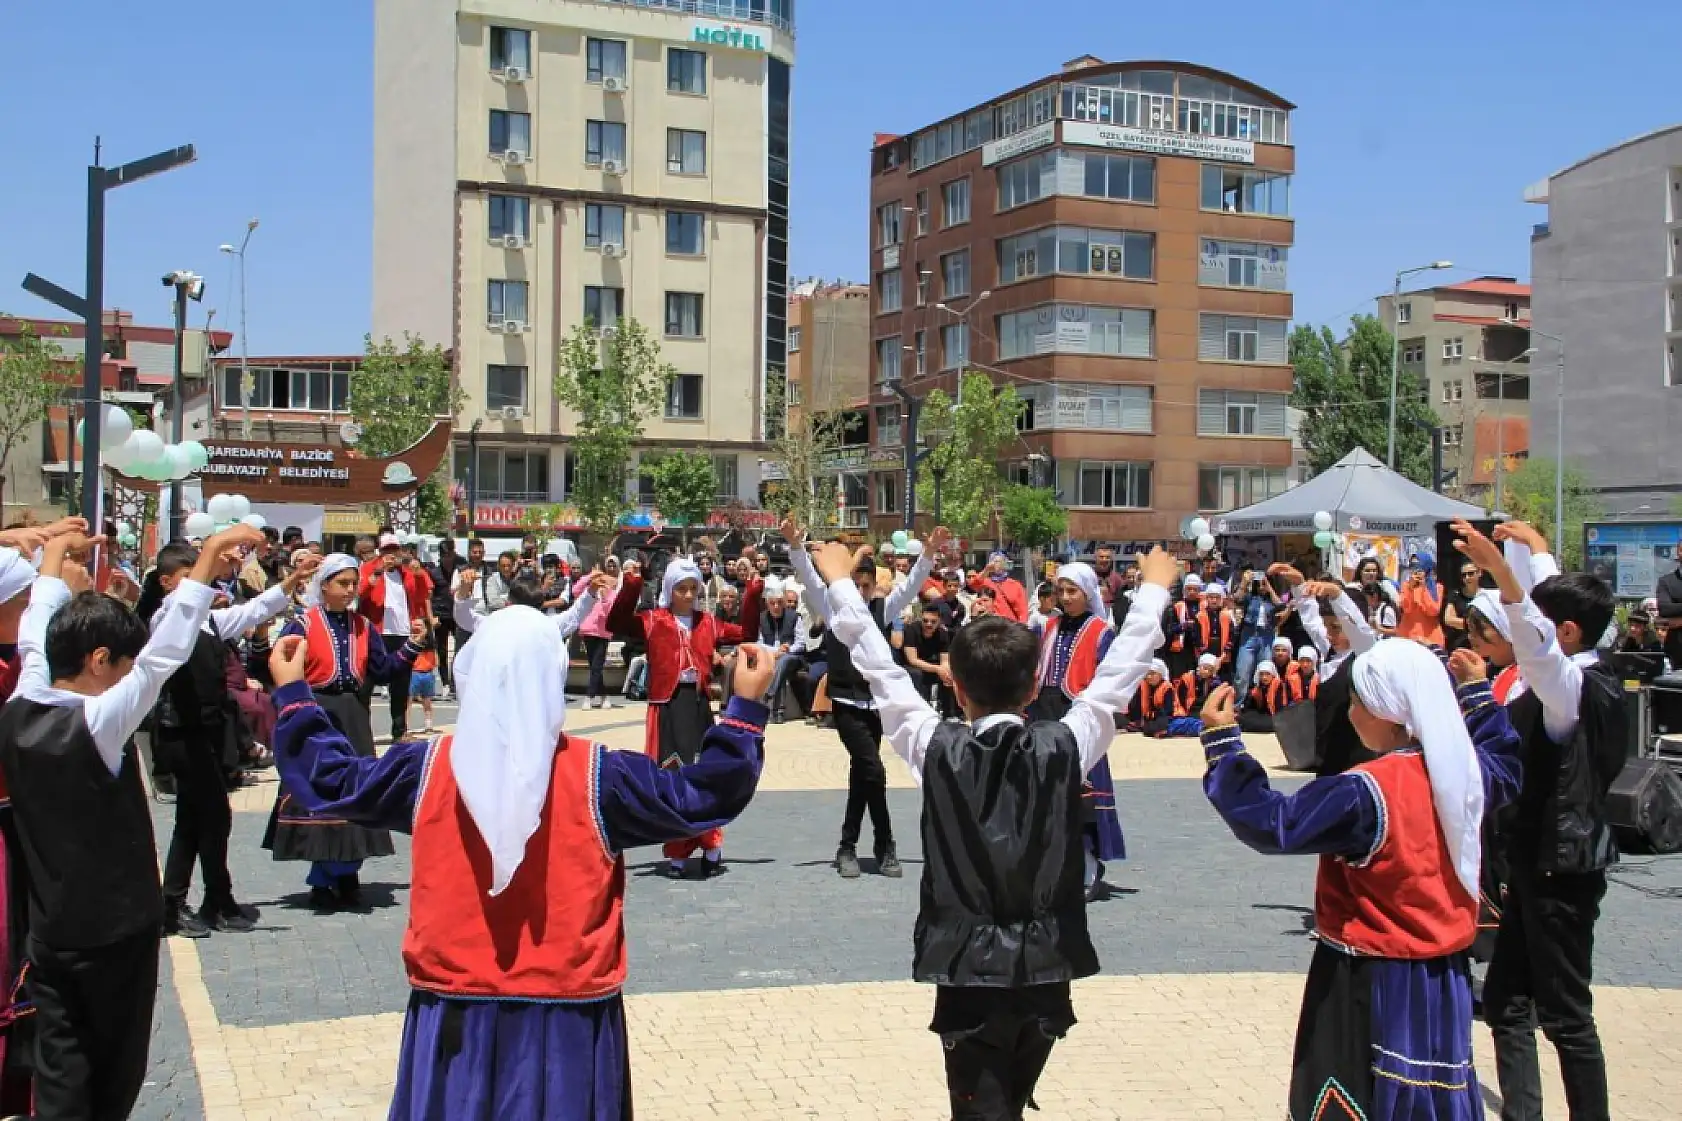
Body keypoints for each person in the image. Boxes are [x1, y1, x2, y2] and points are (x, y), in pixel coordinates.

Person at [267, 590, 767, 1120]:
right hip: (564, 1021)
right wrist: (743, 711)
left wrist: (295, 696)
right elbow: (705, 796)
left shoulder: (426, 770)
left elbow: (333, 780)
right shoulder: (601, 777)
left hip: (455, 1009)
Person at [815, 536, 1175, 1121]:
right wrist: (1154, 589)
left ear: (955, 686)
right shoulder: (1066, 743)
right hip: (1045, 966)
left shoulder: (933, 744)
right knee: (1004, 1099)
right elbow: (1120, 671)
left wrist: (837, 583)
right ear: (1035, 689)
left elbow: (877, 663)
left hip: (966, 969)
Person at [0, 524, 264, 1120]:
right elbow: (164, 654)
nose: (127, 674)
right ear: (98, 661)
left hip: (50, 930)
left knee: (62, 1063)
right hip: (114, 934)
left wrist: (51, 561)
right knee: (116, 1069)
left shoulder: (21, 705)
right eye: (120, 663)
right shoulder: (97, 723)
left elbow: (36, 635)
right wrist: (209, 561)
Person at [1202, 638, 1523, 1121]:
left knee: (1359, 1098)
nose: (1351, 713)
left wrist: (1224, 745)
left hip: (1368, 978)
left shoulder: (1367, 791)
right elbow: (1508, 761)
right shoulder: (1466, 772)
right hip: (1443, 978)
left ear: (1390, 713)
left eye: (1358, 702)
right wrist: (1477, 695)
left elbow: (1276, 824)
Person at [1451, 519, 1625, 1121]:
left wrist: (1503, 575)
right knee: (1505, 999)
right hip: (1539, 863)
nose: (1530, 638)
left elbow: (1541, 649)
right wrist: (1540, 555)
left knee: (1568, 1015)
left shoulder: (1574, 688)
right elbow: (1552, 629)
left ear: (1569, 632)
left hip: (1562, 868)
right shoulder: (1583, 662)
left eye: (1551, 627)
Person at [141, 541, 317, 938]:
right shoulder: (168, 618)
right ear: (168, 584)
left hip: (208, 732)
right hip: (180, 733)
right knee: (210, 816)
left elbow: (254, 611)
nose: (199, 587)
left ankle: (187, 902)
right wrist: (210, 567)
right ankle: (208, 900)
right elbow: (183, 612)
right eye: (189, 579)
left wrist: (290, 581)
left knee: (195, 818)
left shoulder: (209, 621)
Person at [265, 554, 423, 909]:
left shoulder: (364, 626)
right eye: (343, 583)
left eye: (354, 583)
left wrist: (412, 646)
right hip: (317, 710)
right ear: (324, 585)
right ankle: (322, 877)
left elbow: (382, 671)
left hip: (353, 713)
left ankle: (349, 873)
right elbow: (281, 666)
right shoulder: (301, 625)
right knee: (319, 788)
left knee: (358, 788)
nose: (351, 590)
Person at [785, 519, 935, 879]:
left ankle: (847, 846)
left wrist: (928, 554)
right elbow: (808, 575)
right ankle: (886, 845)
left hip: (875, 706)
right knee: (874, 771)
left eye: (867, 587)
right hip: (845, 703)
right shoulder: (833, 604)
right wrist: (795, 545)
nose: (862, 591)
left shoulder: (883, 608)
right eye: (856, 585)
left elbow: (912, 585)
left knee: (862, 775)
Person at [606, 549, 764, 878]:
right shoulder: (653, 620)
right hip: (667, 705)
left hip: (698, 706)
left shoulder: (708, 622)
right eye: (682, 588)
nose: (689, 595)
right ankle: (677, 850)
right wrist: (633, 583)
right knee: (670, 776)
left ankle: (711, 844)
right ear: (670, 590)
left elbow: (746, 633)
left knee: (704, 774)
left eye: (693, 588)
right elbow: (616, 622)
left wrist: (753, 593)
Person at [1024, 562, 1126, 898]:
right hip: (1044, 714)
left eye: (1073, 591)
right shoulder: (1048, 626)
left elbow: (1108, 680)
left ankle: (1089, 868)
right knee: (1045, 795)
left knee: (1082, 798)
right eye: (1061, 591)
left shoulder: (1100, 631)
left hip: (1079, 716)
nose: (1065, 598)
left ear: (1088, 593)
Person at [359, 534, 434, 743]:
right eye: (386, 550)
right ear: (380, 552)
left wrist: (418, 573)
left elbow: (421, 595)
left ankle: (399, 732)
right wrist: (377, 572)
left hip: (402, 632)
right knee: (367, 683)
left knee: (401, 685)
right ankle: (361, 732)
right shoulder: (369, 568)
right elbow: (361, 592)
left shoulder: (407, 572)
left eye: (394, 550)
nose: (391, 555)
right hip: (377, 632)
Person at [1232, 568, 1283, 707]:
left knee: (1266, 672)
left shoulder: (1271, 599)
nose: (1261, 587)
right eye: (1259, 584)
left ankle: (1266, 704)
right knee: (1242, 673)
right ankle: (1238, 705)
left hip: (1266, 637)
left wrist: (1270, 588)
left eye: (1263, 584)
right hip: (1249, 636)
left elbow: (1280, 606)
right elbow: (1237, 599)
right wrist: (1244, 582)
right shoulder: (1250, 598)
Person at [576, 556, 621, 710]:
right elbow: (575, 590)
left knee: (597, 665)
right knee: (594, 666)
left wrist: (605, 595)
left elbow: (609, 611)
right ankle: (604, 695)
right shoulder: (590, 588)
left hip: (603, 633)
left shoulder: (612, 592)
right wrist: (591, 576)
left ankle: (589, 696)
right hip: (588, 630)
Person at [903, 603, 955, 718]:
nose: (928, 624)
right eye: (925, 621)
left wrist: (945, 671)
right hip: (913, 666)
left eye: (933, 621)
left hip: (933, 664)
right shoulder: (912, 630)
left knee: (950, 674)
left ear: (939, 621)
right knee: (917, 674)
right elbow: (912, 660)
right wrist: (937, 669)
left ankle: (949, 714)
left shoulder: (942, 634)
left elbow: (945, 660)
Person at [1125, 658, 1181, 738]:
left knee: (1160, 723)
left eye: (1152, 674)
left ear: (1161, 674)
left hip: (1170, 717)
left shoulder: (1167, 687)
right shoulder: (1143, 685)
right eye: (1147, 674)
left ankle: (1164, 731)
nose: (1149, 677)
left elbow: (1168, 710)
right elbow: (1135, 705)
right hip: (1150, 718)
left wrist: (1152, 715)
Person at [1398, 556, 1446, 646]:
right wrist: (1411, 588)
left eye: (1418, 565)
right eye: (1412, 565)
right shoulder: (1406, 586)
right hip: (1408, 636)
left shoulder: (1437, 587)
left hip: (1430, 637)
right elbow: (1406, 608)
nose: (1415, 569)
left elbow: (1433, 611)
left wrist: (1424, 588)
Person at [1194, 581, 1235, 681]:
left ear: (1221, 599)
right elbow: (1196, 638)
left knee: (1224, 681)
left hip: (1223, 655)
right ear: (1207, 598)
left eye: (1217, 597)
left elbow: (1232, 636)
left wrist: (1222, 657)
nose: (1214, 600)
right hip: (1205, 654)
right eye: (1211, 597)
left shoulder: (1227, 615)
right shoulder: (1199, 616)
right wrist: (1207, 656)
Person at [970, 552, 1028, 624]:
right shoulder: (985, 582)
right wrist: (986, 570)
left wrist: (1022, 627)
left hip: (1009, 627)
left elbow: (1022, 610)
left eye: (998, 561)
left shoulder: (1015, 585)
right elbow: (973, 584)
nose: (995, 564)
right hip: (989, 625)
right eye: (993, 561)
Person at [1441, 560, 1483, 653]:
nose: (1467, 577)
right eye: (1464, 575)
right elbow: (1448, 619)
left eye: (1471, 573)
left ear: (1479, 573)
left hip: (1482, 648)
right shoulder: (1455, 595)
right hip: (1459, 646)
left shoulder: (1486, 596)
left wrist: (1462, 623)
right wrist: (1476, 625)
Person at [409, 622, 439, 735]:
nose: (416, 627)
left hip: (427, 673)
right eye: (414, 625)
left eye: (420, 625)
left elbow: (436, 660)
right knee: (408, 701)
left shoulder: (430, 642)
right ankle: (406, 727)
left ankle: (428, 725)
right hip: (414, 673)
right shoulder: (410, 640)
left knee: (427, 701)